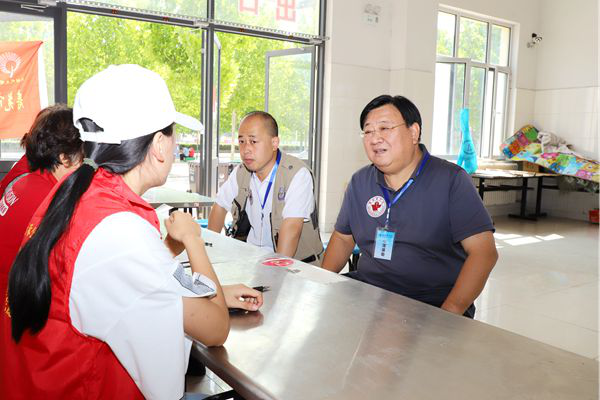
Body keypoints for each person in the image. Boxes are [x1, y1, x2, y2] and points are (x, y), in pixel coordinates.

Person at [2, 65, 262, 400]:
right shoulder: (118, 230)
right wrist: (193, 240)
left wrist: (216, 291)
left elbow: (124, 283)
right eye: (173, 134)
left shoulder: (76, 195)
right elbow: (215, 328)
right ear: (159, 145)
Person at [321, 95, 498, 318]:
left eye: (385, 128)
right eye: (368, 131)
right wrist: (321, 282)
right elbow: (343, 238)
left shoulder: (451, 180)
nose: (375, 138)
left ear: (414, 132)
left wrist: (449, 313)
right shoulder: (360, 181)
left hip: (429, 302)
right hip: (368, 292)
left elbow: (484, 253)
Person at [207, 111, 323, 265]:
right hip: (251, 261)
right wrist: (209, 251)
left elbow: (292, 230)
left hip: (295, 266)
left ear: (274, 143)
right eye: (241, 141)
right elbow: (219, 206)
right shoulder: (241, 172)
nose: (246, 149)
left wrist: (274, 273)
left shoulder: (297, 174)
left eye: (253, 141)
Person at [0, 105, 83, 302]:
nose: (84, 164)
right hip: (15, 303)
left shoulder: (25, 181)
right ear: (64, 158)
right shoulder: (49, 199)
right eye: (82, 155)